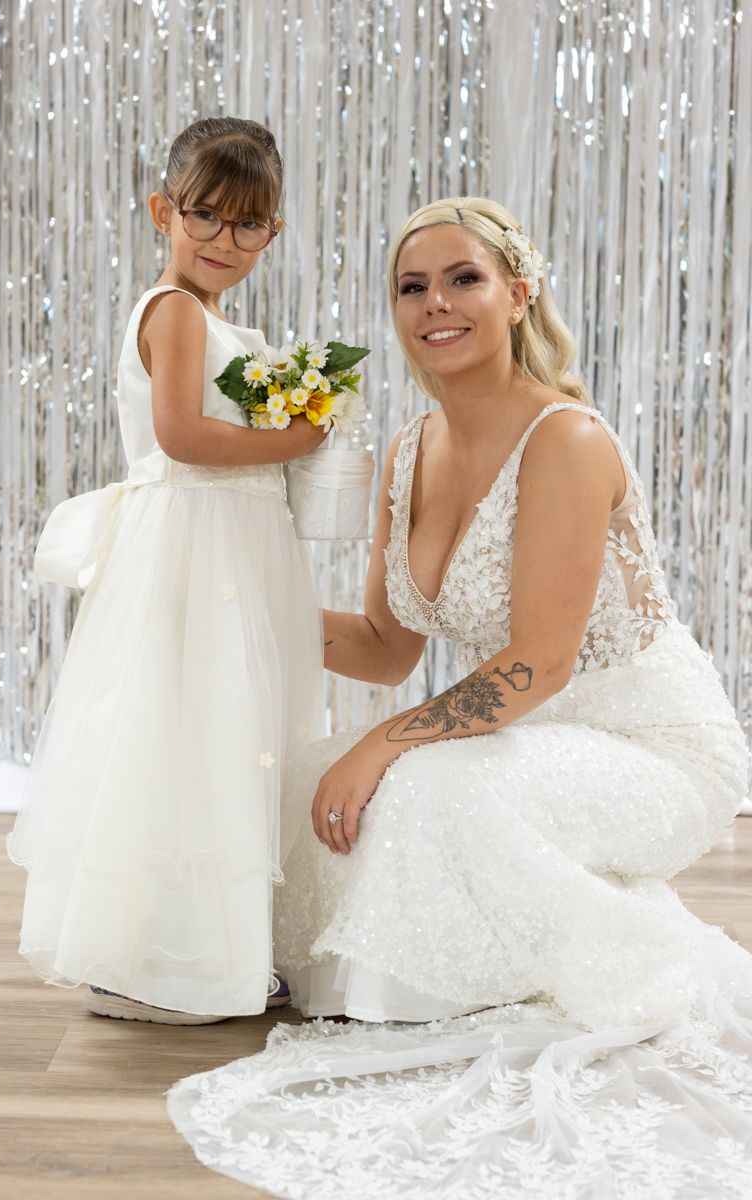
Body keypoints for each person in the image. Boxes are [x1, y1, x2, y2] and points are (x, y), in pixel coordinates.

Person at [168, 198, 752, 1194]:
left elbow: (540, 663)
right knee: (302, 776)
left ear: (516, 295)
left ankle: (445, 991)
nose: (434, 303)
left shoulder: (565, 439)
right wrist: (244, 605)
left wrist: (384, 744)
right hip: (526, 737)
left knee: (429, 786)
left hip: (653, 748)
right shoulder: (406, 452)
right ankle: (365, 971)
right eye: (412, 287)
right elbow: (385, 649)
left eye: (462, 279)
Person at [7, 117, 326, 1024]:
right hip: (192, 539)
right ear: (163, 211)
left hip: (229, 540)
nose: (224, 240)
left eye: (249, 223)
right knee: (187, 729)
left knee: (220, 733)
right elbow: (181, 435)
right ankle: (163, 960)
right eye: (205, 215)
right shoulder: (176, 310)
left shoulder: (215, 316)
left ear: (274, 231)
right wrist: (297, 440)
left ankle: (207, 944)